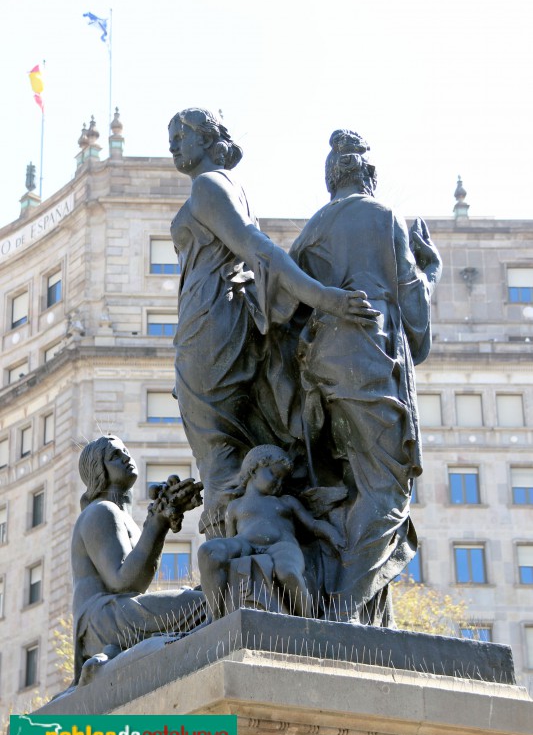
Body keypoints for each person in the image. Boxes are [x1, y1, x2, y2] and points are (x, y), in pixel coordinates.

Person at [168, 109, 379, 538]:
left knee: (217, 450)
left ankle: (231, 574)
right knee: (231, 448)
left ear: (210, 139)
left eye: (182, 134)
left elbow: (257, 249)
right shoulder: (225, 188)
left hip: (209, 326)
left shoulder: (209, 185)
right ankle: (248, 563)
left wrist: (324, 299)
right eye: (170, 136)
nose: (173, 143)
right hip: (220, 320)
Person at [289, 129, 442, 625]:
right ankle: (342, 613)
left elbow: (285, 304)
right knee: (386, 491)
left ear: (331, 179)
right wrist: (430, 270)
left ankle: (371, 614)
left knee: (349, 489)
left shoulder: (311, 228)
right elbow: (413, 315)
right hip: (370, 362)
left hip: (322, 373)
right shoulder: (384, 218)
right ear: (369, 176)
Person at [71, 435, 207, 683]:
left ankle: (112, 661)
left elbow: (135, 583)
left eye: (125, 451)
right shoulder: (101, 511)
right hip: (103, 619)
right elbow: (122, 582)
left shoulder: (123, 518)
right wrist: (158, 523)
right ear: (99, 470)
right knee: (207, 603)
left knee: (205, 598)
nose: (125, 457)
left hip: (117, 612)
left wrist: (160, 520)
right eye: (115, 455)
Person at [197, 445, 345, 619]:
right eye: (274, 474)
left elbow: (311, 524)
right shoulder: (234, 506)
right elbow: (230, 537)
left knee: (288, 572)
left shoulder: (286, 502)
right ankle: (214, 617)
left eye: (283, 479)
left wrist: (331, 533)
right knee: (208, 551)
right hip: (245, 543)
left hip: (281, 545)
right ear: (253, 470)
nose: (279, 483)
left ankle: (307, 620)